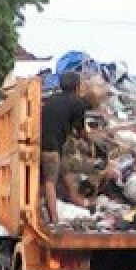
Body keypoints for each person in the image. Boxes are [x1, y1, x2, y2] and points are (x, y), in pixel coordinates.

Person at [40, 70, 89, 226]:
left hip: (43, 144)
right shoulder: (77, 103)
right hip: (51, 148)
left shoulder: (51, 100)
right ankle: (54, 218)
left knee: (65, 175)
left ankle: (79, 202)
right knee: (50, 181)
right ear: (77, 86)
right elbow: (80, 131)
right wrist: (87, 140)